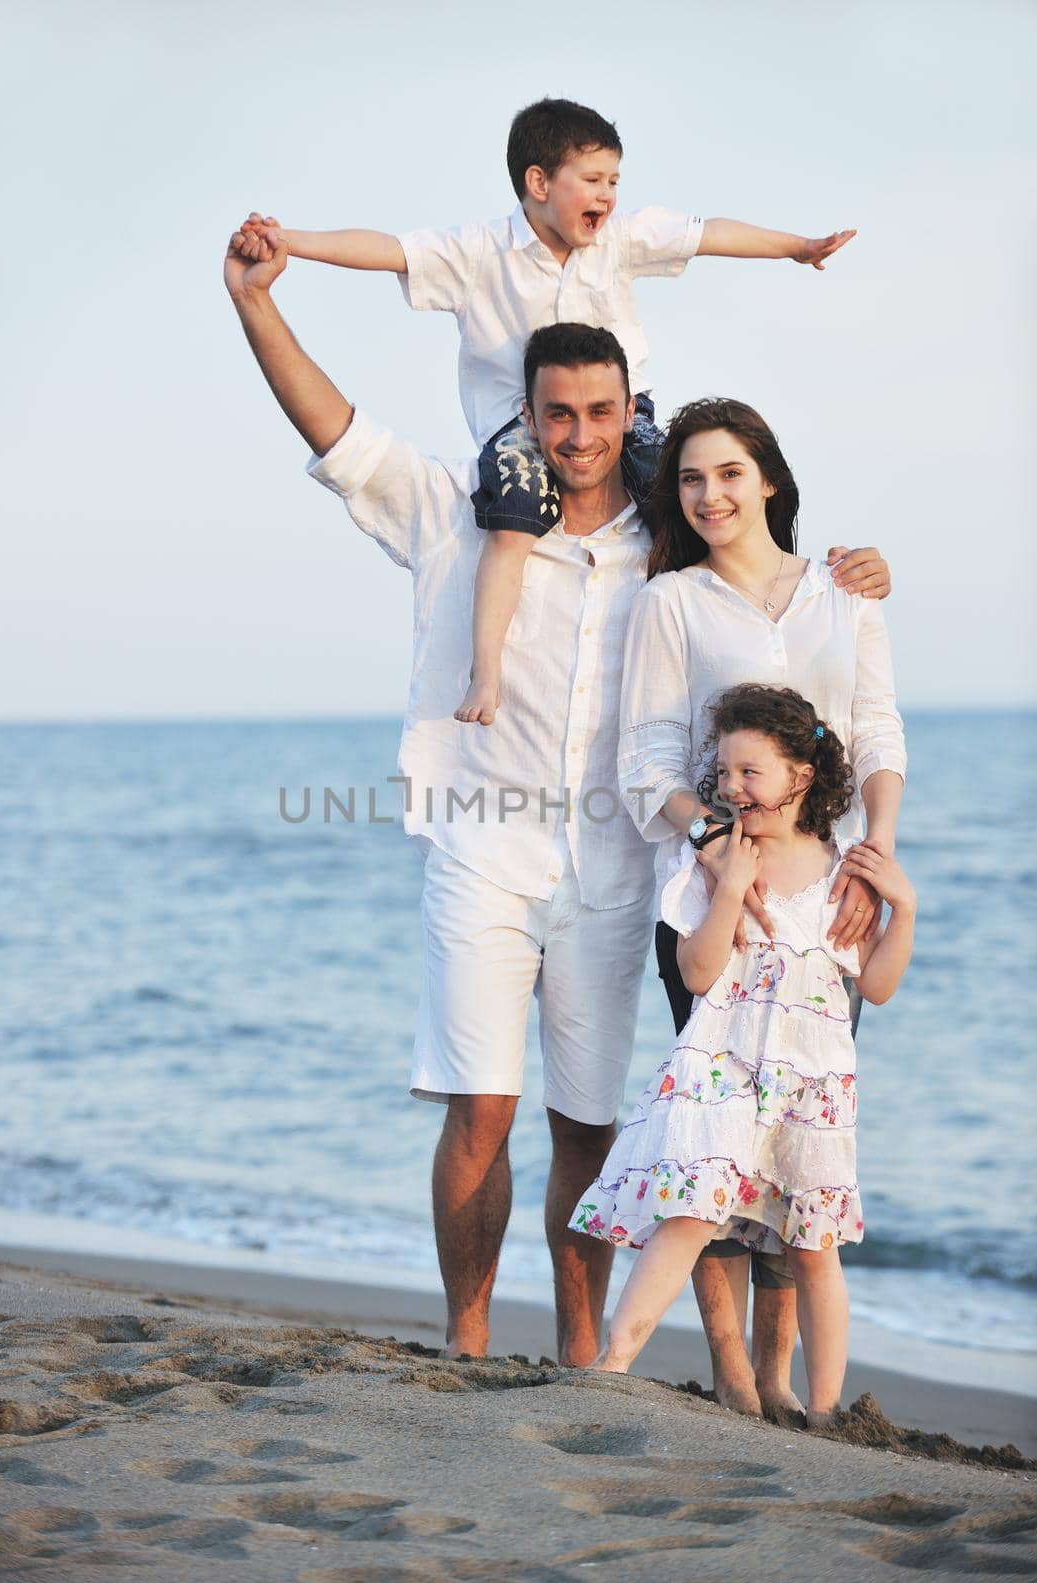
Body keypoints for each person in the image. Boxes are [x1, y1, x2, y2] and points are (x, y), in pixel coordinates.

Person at [224, 227, 889, 1367]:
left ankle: (579, 1356)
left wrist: (847, 571)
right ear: (527, 416)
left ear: (629, 412)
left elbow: (772, 611)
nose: (578, 436)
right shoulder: (460, 519)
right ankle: (467, 1340)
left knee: (585, 1120)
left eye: (599, 413)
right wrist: (255, 305)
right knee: (479, 1107)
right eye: (555, 414)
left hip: (618, 873)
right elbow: (337, 431)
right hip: (483, 850)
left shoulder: (669, 551)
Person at [232, 96, 857, 727]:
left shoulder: (621, 238)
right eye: (592, 180)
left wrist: (796, 247)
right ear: (537, 182)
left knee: (688, 511)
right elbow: (387, 249)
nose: (608, 196)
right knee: (511, 529)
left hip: (630, 418)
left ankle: (773, 612)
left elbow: (711, 234)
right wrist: (290, 242)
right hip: (517, 433)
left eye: (614, 181)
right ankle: (487, 671)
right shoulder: (478, 251)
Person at [616, 396, 907, 1416]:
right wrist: (716, 851)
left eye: (728, 473)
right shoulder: (670, 603)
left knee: (798, 1143)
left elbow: (873, 729)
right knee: (710, 1147)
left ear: (768, 479)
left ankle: (782, 1382)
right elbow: (644, 759)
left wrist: (876, 860)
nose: (708, 495)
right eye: (689, 479)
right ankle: (733, 1377)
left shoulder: (843, 590)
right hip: (714, 901)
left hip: (822, 905)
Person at [574, 685, 916, 1428]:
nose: (730, 787)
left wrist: (904, 908)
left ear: (800, 775)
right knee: (691, 1213)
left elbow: (879, 987)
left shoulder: (842, 877)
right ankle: (613, 1363)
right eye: (722, 772)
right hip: (721, 1073)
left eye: (749, 772)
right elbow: (697, 974)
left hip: (810, 1086)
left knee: (812, 1244)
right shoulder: (714, 860)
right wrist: (727, 885)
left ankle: (826, 1409)